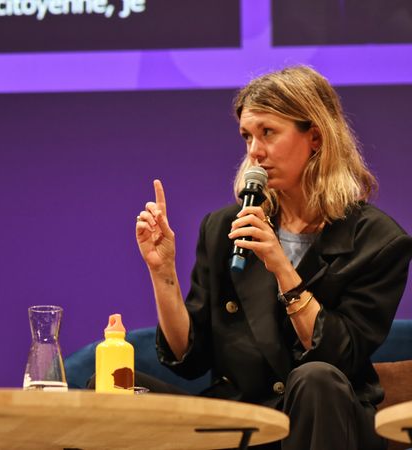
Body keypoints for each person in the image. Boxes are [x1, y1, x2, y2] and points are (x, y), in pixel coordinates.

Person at [135, 65, 412, 449]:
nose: (254, 152)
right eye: (247, 136)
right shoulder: (224, 226)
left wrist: (282, 267)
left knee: (315, 377)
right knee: (111, 386)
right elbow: (192, 358)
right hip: (240, 418)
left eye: (268, 132)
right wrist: (162, 272)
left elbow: (339, 357)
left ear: (314, 137)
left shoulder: (378, 241)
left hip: (322, 417)